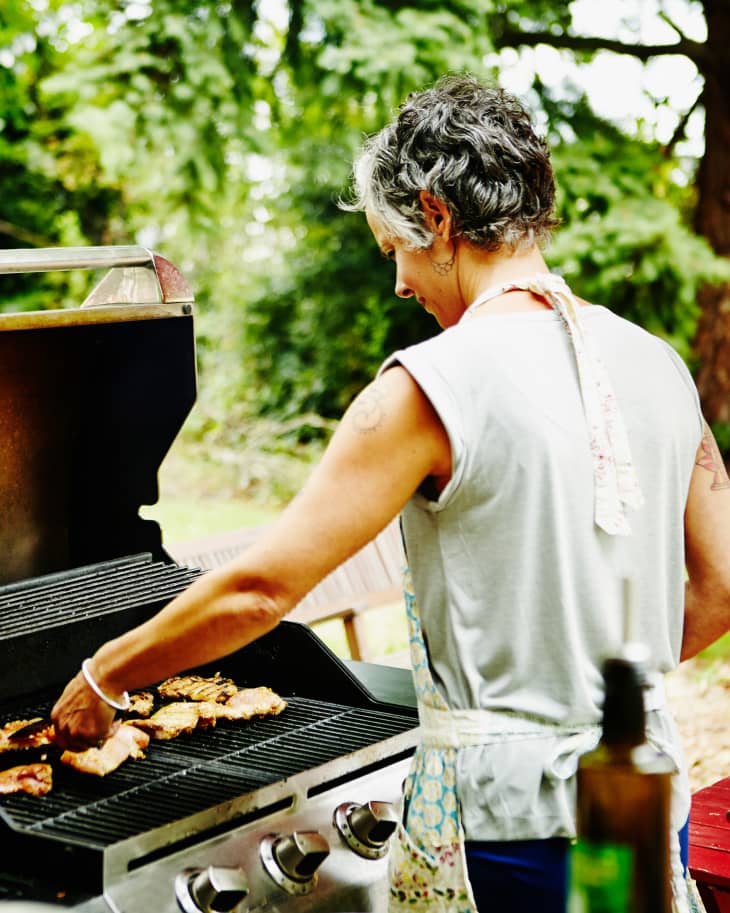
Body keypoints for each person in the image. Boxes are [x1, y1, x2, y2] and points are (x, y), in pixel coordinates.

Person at [51, 75, 730, 913]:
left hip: (515, 830)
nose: (402, 284)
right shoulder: (655, 362)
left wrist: (106, 673)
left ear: (435, 216)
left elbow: (264, 587)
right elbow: (721, 585)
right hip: (639, 798)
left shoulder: (432, 384)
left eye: (395, 250)